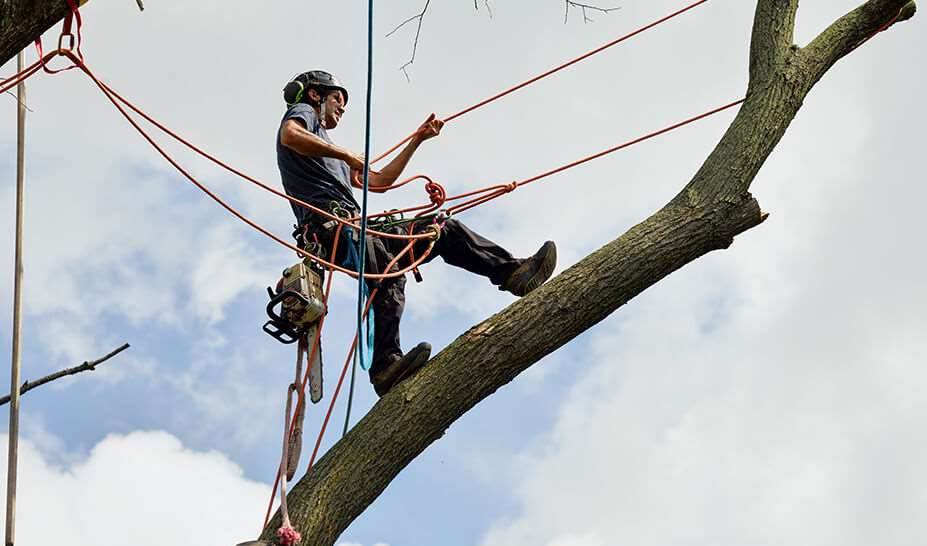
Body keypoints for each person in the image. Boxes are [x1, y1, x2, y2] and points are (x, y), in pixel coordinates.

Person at [276, 70, 556, 397]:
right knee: (390, 269)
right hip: (332, 229)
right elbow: (290, 136)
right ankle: (384, 364)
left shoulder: (329, 148)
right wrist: (347, 155)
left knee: (434, 234)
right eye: (338, 98)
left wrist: (417, 141)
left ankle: (512, 274)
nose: (342, 107)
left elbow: (380, 181)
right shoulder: (305, 117)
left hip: (352, 229)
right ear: (315, 95)